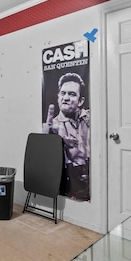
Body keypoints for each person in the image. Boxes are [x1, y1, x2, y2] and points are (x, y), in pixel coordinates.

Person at [43, 72, 90, 200]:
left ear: (81, 101)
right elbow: (46, 161)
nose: (66, 98)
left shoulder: (89, 118)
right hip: (72, 188)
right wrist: (50, 140)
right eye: (63, 93)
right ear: (58, 97)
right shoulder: (54, 126)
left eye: (72, 94)